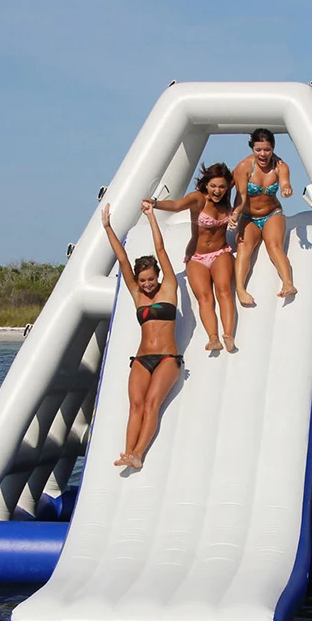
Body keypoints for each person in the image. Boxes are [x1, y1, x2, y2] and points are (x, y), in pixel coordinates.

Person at [101, 200, 182, 470]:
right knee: (134, 405)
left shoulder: (169, 287)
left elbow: (160, 249)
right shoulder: (137, 294)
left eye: (150, 279)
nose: (147, 284)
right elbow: (123, 260)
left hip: (167, 358)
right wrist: (107, 227)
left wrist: (150, 217)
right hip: (141, 358)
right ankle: (127, 453)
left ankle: (139, 453)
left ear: (158, 276)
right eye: (143, 280)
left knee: (150, 403)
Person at [153, 163, 237, 353]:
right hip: (197, 256)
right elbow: (175, 206)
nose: (217, 191)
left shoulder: (228, 201)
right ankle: (213, 337)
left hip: (220, 252)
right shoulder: (198, 199)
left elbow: (243, 173)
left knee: (223, 291)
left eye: (222, 187)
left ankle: (228, 334)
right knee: (204, 297)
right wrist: (155, 203)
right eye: (213, 186)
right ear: (206, 185)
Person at [231, 128, 297, 305]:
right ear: (252, 148)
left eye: (267, 149)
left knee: (274, 246)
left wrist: (286, 190)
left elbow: (284, 183)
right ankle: (240, 288)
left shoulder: (280, 166)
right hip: (248, 215)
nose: (262, 154)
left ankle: (288, 283)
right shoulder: (244, 167)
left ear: (273, 148)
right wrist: (235, 213)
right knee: (244, 247)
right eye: (258, 149)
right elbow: (241, 195)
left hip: (271, 213)